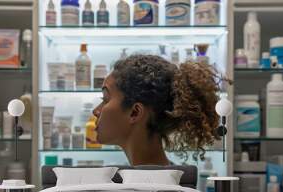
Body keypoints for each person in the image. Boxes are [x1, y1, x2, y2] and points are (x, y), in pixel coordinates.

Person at [92, 54, 226, 166]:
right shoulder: (166, 180)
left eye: (105, 98)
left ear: (135, 112)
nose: (96, 111)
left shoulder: (146, 189)